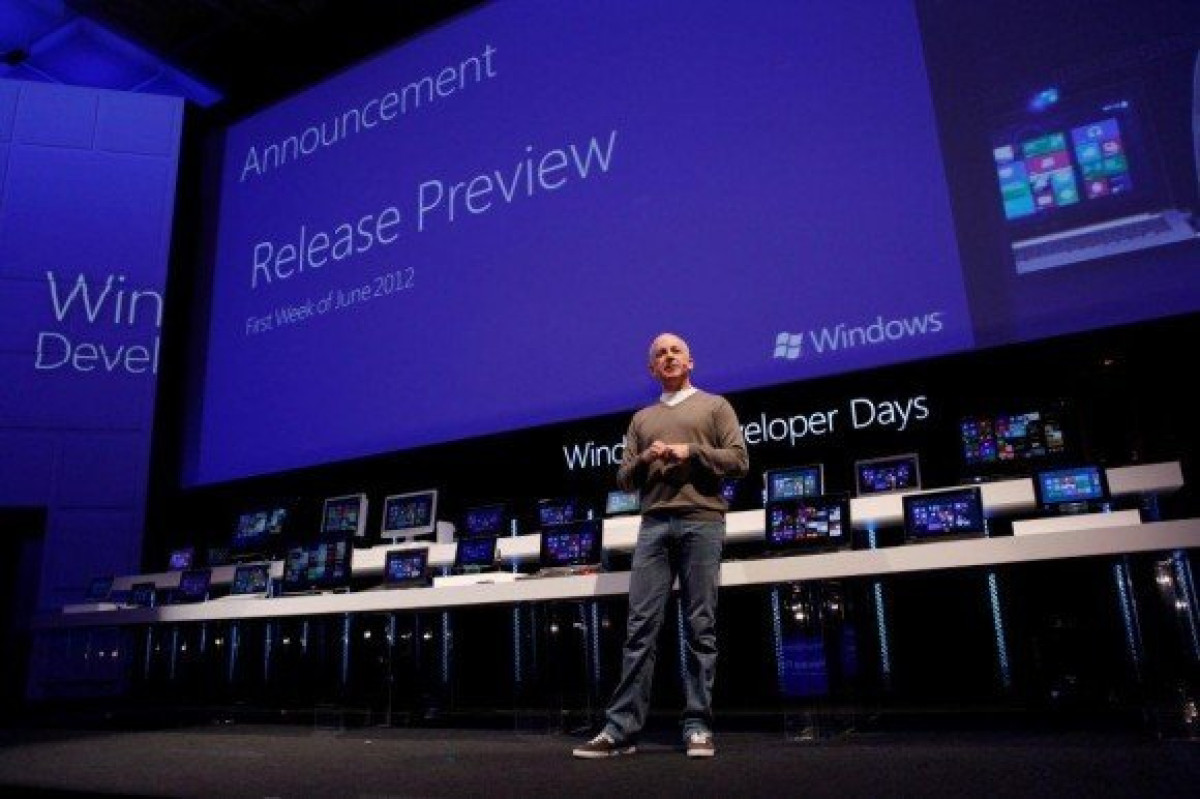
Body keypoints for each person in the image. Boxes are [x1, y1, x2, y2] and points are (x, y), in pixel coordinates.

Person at [573, 332, 748, 759]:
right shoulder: (641, 419)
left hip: (702, 520)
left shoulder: (715, 406)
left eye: (675, 351)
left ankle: (698, 727)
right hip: (653, 525)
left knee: (700, 627)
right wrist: (647, 458)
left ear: (690, 361)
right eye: (659, 354)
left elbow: (739, 461)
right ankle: (620, 730)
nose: (668, 357)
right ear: (652, 369)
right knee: (639, 630)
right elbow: (623, 479)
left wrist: (692, 451)